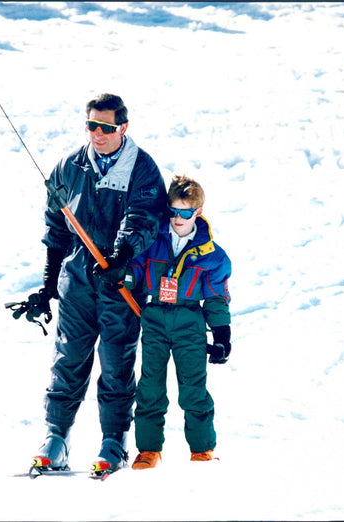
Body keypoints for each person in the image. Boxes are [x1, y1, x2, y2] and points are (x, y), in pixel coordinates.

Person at [19, 93, 167, 473]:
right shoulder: (70, 166)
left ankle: (114, 441)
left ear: (123, 128)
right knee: (69, 359)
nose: (97, 134)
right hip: (78, 280)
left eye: (106, 127)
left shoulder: (142, 168)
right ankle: (56, 437)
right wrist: (50, 286)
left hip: (122, 281)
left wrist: (121, 256)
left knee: (117, 361)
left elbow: (143, 218)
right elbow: (56, 228)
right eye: (91, 126)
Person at [125, 174, 232, 470]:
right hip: (155, 317)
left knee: (193, 387)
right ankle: (148, 450)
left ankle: (202, 449)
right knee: (150, 386)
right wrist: (120, 274)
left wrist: (222, 334)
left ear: (197, 212)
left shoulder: (211, 255)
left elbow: (215, 297)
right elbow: (132, 269)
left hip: (189, 321)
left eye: (185, 212)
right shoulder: (152, 240)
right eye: (173, 211)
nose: (177, 218)